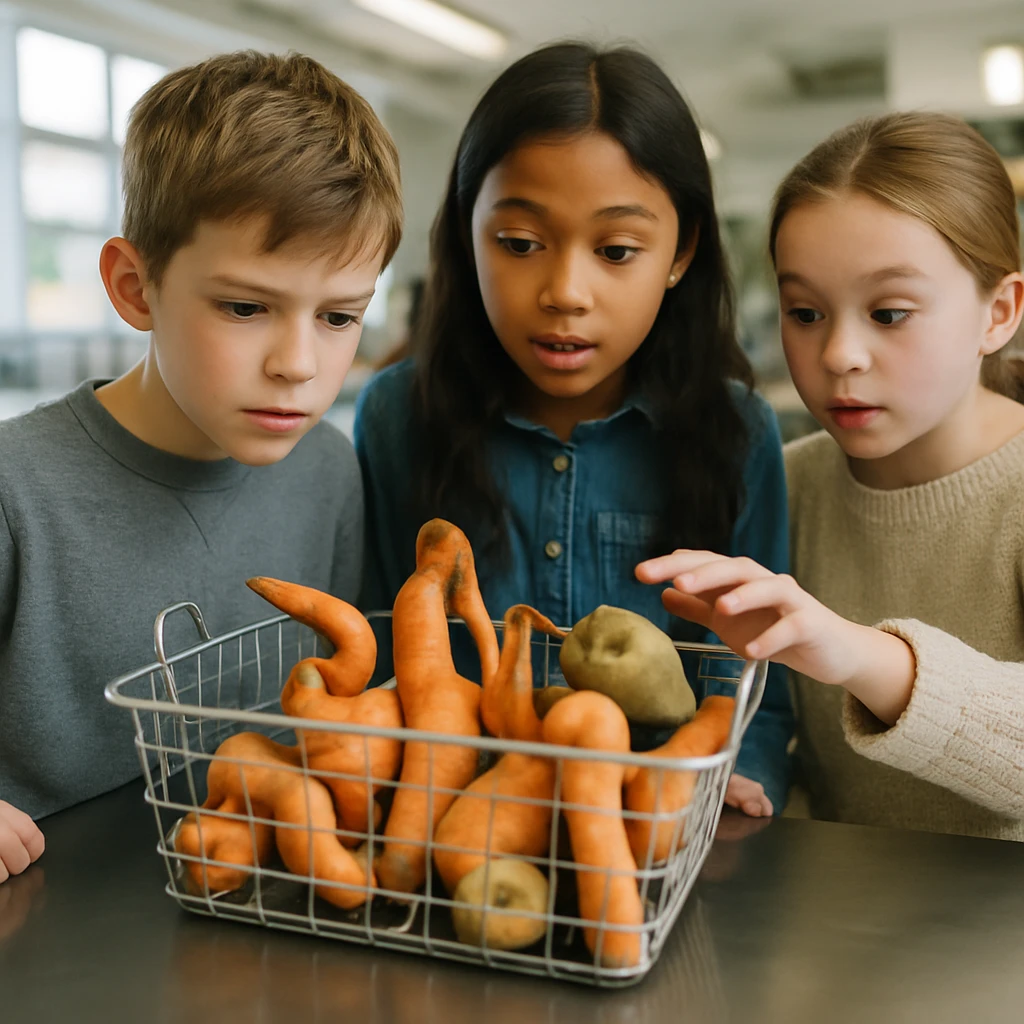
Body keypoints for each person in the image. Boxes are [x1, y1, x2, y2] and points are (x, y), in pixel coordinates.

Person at [354, 42, 793, 819]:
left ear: (681, 252)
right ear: (466, 234)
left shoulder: (738, 432)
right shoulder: (397, 416)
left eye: (617, 250)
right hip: (451, 822)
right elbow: (387, 656)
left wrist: (731, 785)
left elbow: (761, 688)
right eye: (520, 244)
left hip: (660, 833)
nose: (565, 293)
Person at [0, 50, 403, 880]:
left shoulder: (328, 470)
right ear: (135, 287)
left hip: (260, 909)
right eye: (247, 307)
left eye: (339, 316)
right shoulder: (16, 491)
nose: (298, 363)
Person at [638, 112, 1024, 840]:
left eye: (890, 312)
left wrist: (862, 655)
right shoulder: (788, 482)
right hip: (833, 927)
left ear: (998, 313)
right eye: (805, 312)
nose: (841, 352)